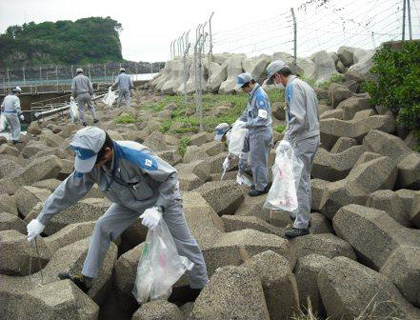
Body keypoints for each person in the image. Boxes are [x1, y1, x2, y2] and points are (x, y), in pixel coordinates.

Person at [26, 127, 209, 297]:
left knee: (183, 243)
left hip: (162, 198)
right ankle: (86, 280)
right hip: (128, 202)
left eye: (93, 163)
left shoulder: (134, 155)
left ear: (107, 151)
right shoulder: (90, 163)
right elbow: (68, 190)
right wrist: (42, 219)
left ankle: (200, 288)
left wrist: (158, 207)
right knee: (103, 227)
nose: (90, 168)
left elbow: (170, 176)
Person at [266, 60, 320, 239]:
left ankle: (301, 224)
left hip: (303, 139)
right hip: (312, 136)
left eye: (274, 80)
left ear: (278, 76)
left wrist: (286, 140)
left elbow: (298, 119)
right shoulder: (305, 85)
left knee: (299, 182)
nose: (276, 83)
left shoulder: (292, 87)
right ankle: (301, 214)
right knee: (304, 178)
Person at [235, 72, 273, 197]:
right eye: (242, 87)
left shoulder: (260, 95)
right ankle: (259, 182)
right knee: (257, 159)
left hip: (260, 132)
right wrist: (239, 121)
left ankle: (261, 187)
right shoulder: (252, 94)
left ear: (251, 82)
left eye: (245, 86)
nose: (244, 89)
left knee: (258, 161)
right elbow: (248, 112)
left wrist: (246, 124)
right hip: (255, 132)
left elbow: (262, 118)